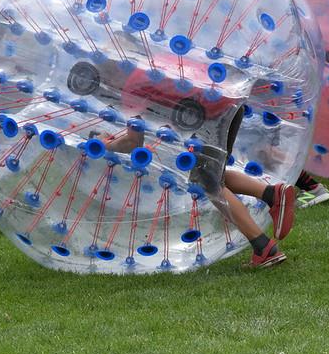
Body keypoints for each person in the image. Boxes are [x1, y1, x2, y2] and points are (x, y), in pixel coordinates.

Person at [103, 107, 297, 268]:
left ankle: (263, 247)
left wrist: (106, 145)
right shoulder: (141, 73)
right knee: (212, 176)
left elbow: (132, 142)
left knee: (207, 182)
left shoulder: (130, 89)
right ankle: (272, 194)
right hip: (228, 106)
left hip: (209, 117)